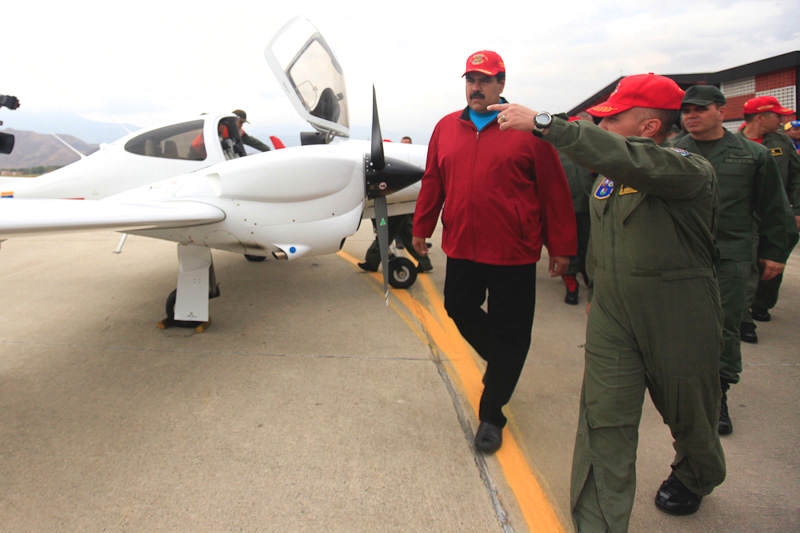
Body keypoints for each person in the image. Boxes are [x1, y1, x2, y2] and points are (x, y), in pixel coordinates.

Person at [490, 73, 725, 528]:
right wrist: (597, 290)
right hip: (614, 313)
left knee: (689, 411)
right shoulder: (608, 181)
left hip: (678, 313)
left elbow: (629, 159)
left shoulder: (687, 170)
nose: (602, 126)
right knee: (604, 418)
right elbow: (602, 242)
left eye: (611, 118)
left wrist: (545, 123)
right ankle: (598, 522)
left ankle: (698, 473)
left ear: (649, 126)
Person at [412, 50, 576, 455]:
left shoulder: (527, 130)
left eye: (485, 80)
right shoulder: (446, 127)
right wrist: (421, 227)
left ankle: (492, 413)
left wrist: (562, 247)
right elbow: (433, 180)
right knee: (458, 308)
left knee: (513, 330)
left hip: (514, 251)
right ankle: (504, 364)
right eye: (470, 79)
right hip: (463, 245)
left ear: (502, 84)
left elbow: (554, 190)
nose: (476, 87)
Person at [674, 85, 788, 436]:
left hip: (731, 255)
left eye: (700, 109)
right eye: (686, 110)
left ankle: (718, 396)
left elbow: (773, 207)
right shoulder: (672, 151)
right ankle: (684, 391)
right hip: (680, 254)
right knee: (683, 327)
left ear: (721, 111)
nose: (691, 116)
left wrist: (774, 252)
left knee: (724, 327)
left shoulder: (753, 156)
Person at [737, 96, 800, 337]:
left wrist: (796, 210)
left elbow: (796, 176)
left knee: (773, 258)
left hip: (776, 211)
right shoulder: (733, 143)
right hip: (744, 214)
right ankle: (743, 317)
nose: (782, 119)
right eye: (777, 115)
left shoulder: (781, 142)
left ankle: (762, 303)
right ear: (761, 117)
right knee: (744, 263)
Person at [358, 136, 432, 273]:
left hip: (395, 205)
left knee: (386, 235)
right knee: (406, 234)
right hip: (397, 205)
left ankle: (372, 262)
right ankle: (424, 262)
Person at [558, 114, 595, 304]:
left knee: (588, 245)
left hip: (589, 208)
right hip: (565, 208)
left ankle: (589, 278)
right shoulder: (556, 150)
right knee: (568, 247)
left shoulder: (593, 150)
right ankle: (571, 282)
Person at [189, 109, 272, 160]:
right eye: (241, 122)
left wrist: (269, 150)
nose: (241, 125)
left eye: (243, 123)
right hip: (197, 154)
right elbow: (205, 117)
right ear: (234, 121)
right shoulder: (218, 127)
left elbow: (254, 142)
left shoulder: (238, 132)